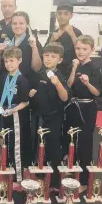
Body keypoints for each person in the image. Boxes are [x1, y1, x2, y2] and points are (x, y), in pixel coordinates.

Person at [0, 11, 43, 165]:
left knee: (23, 132)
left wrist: (34, 47)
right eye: (15, 23)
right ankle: (9, 161)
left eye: (21, 23)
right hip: (9, 90)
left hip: (24, 90)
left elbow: (37, 67)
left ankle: (25, 164)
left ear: (26, 24)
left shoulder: (32, 42)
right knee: (9, 133)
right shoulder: (8, 41)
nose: (17, 26)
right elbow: (1, 66)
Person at [63, 35, 102, 193]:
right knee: (71, 138)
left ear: (91, 50)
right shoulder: (73, 65)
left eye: (84, 49)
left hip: (87, 108)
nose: (80, 52)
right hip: (73, 105)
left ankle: (85, 181)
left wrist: (88, 83)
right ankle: (73, 168)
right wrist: (74, 68)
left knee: (85, 142)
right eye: (78, 48)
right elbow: (69, 84)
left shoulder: (95, 69)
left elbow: (98, 92)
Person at [28, 42, 69, 191]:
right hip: (39, 117)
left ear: (59, 60)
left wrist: (57, 84)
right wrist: (31, 94)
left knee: (53, 148)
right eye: (46, 55)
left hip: (54, 118)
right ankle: (39, 178)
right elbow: (34, 97)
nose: (49, 59)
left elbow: (65, 98)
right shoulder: (39, 75)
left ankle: (53, 182)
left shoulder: (59, 76)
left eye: (53, 56)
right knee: (39, 146)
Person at [0, 47, 30, 185]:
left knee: (16, 144)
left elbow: (26, 102)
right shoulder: (4, 77)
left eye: (12, 61)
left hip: (16, 115)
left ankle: (18, 177)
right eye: (6, 61)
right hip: (4, 112)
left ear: (19, 61)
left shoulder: (22, 80)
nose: (8, 64)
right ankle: (8, 166)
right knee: (6, 140)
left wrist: (13, 110)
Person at [45, 3, 82, 78]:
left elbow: (81, 52)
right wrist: (52, 40)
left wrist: (72, 35)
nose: (62, 17)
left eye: (66, 14)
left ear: (71, 16)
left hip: (71, 72)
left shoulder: (77, 32)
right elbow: (45, 52)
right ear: (56, 15)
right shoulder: (54, 33)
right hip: (54, 71)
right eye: (59, 13)